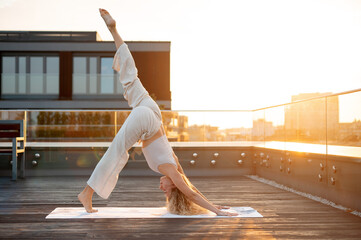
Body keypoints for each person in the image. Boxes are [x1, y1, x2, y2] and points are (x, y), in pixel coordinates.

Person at [78, 8, 237, 217]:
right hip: (147, 120)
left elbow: (192, 188)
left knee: (130, 77)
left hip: (150, 110)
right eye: (166, 190)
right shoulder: (172, 172)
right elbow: (191, 193)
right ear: (174, 185)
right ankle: (87, 193)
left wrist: (215, 204)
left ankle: (114, 30)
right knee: (117, 151)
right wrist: (217, 211)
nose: (161, 188)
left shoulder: (175, 168)